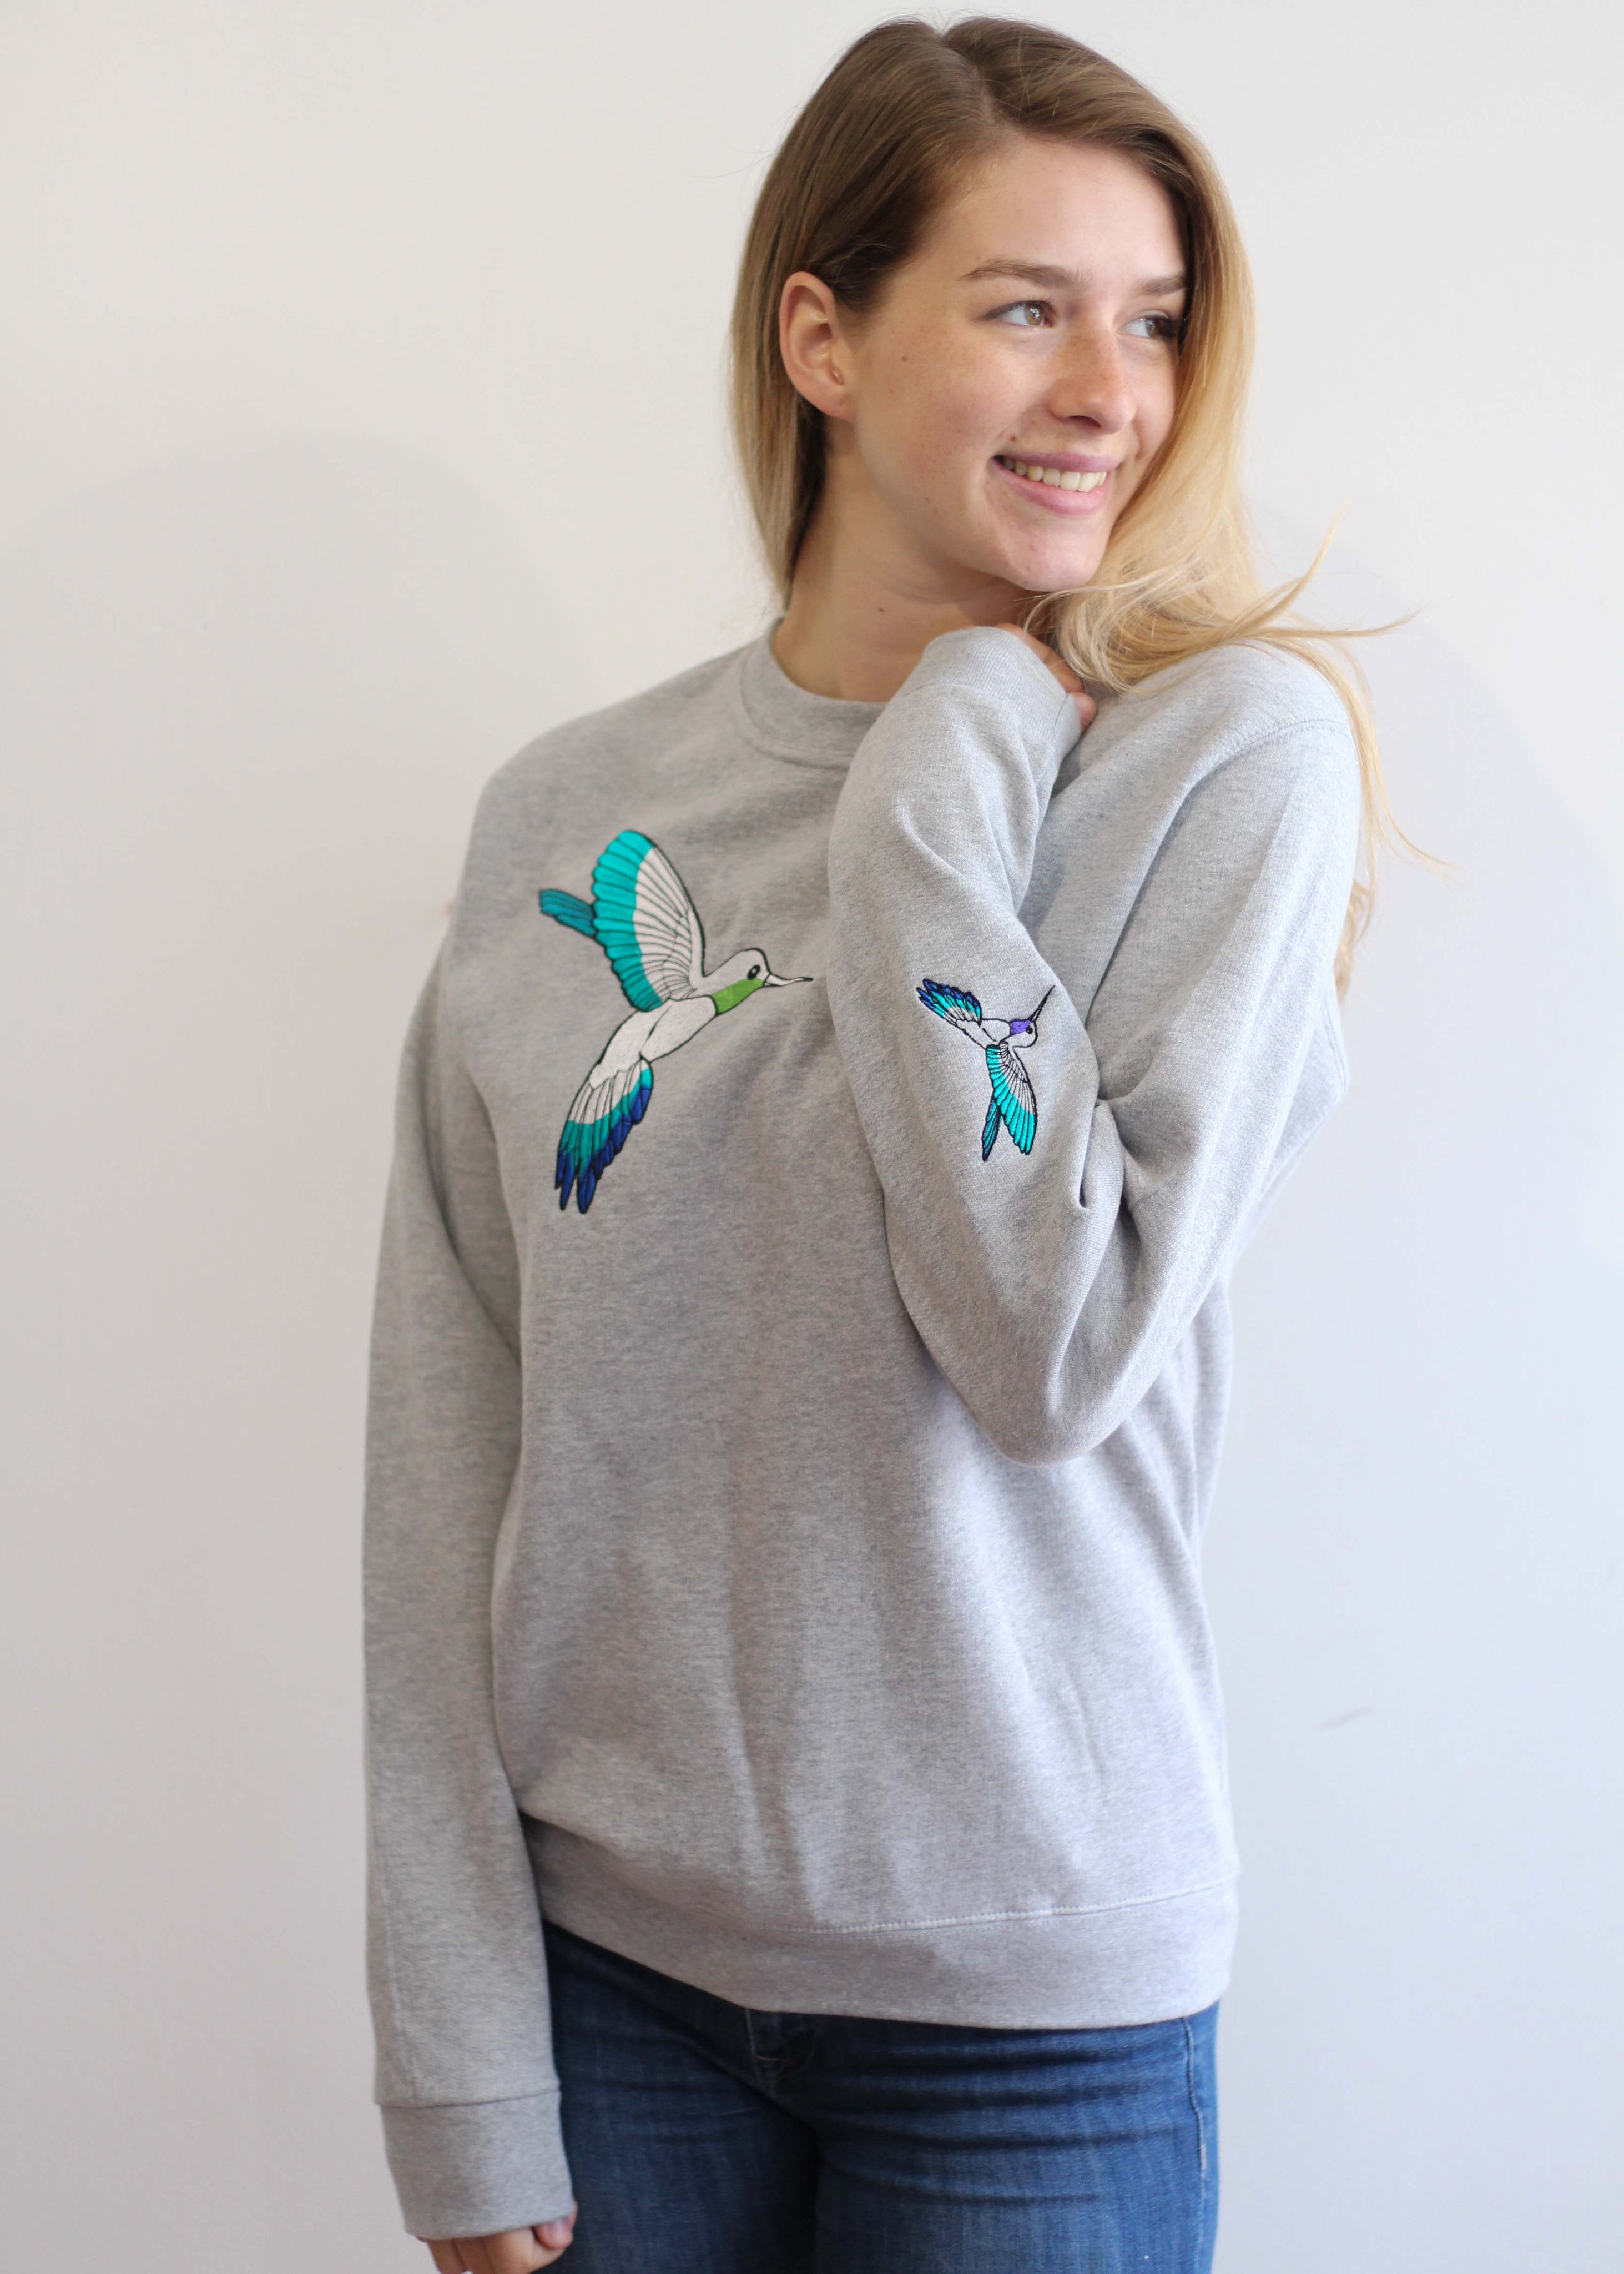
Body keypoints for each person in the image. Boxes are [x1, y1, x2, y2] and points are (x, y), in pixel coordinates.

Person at [361, 18, 1407, 2272]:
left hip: (1031, 2019)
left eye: (1155, 322)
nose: (1110, 390)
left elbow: (1052, 1344)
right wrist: (455, 2052)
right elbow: (446, 1444)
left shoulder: (1221, 762)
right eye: (1029, 308)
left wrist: (954, 745)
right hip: (610, 1989)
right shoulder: (569, 810)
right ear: (821, 339)